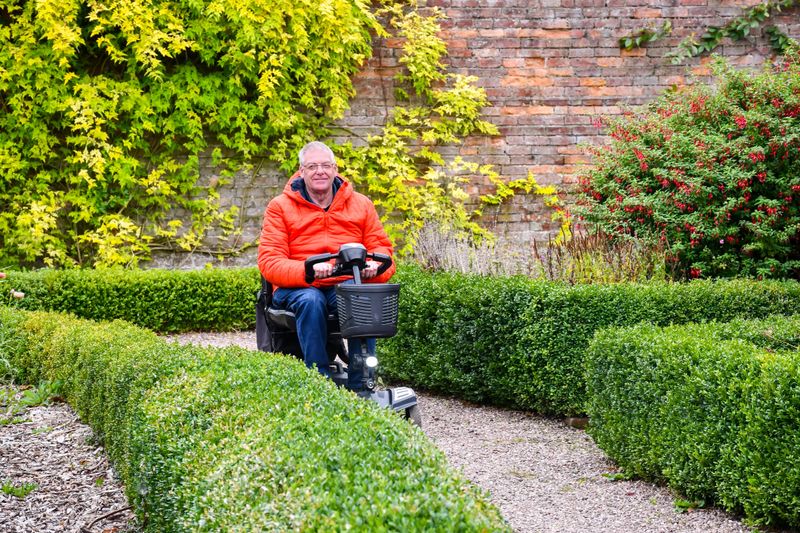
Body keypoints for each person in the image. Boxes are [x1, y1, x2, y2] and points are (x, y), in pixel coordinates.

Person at [257, 141, 396, 389]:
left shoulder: (361, 204)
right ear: (301, 171)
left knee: (360, 296)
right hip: (297, 287)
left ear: (335, 168)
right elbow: (270, 262)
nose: (319, 171)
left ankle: (362, 382)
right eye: (312, 166)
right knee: (311, 300)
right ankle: (318, 380)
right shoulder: (280, 207)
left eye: (325, 165)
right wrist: (307, 271)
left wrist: (374, 267)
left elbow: (384, 251)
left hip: (341, 283)